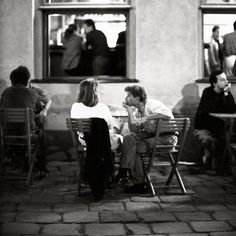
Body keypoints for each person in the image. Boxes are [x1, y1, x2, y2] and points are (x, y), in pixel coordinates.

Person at [115, 85, 178, 194]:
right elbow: (133, 129)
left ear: (137, 98)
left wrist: (145, 118)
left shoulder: (152, 104)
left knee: (136, 148)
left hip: (167, 137)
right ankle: (123, 171)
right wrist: (129, 111)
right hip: (153, 136)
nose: (126, 98)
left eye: (128, 95)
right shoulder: (137, 111)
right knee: (129, 137)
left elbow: (166, 115)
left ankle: (139, 184)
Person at [0, 66, 48, 177]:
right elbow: (38, 111)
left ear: (12, 81)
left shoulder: (5, 93)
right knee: (41, 133)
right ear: (27, 81)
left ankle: (13, 160)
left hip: (6, 135)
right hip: (28, 135)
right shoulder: (33, 93)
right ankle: (41, 167)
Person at [194, 70, 236, 174]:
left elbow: (232, 110)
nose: (226, 82)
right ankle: (217, 168)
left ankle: (223, 168)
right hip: (205, 128)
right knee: (220, 140)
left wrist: (226, 94)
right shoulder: (207, 92)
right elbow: (210, 110)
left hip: (220, 127)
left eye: (226, 79)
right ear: (214, 83)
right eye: (222, 80)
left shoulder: (226, 93)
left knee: (227, 139)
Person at [70, 78, 121, 151]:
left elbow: (76, 128)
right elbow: (114, 127)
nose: (102, 92)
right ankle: (114, 160)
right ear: (95, 92)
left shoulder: (75, 106)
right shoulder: (103, 107)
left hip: (84, 141)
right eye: (100, 90)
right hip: (103, 141)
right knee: (121, 139)